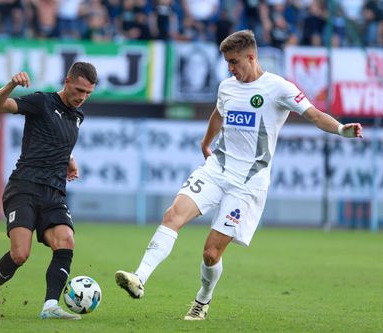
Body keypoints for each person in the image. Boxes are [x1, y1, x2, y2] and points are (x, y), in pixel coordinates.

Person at [115, 30, 363, 321]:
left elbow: (314, 115)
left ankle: (203, 299)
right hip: (216, 168)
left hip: (248, 183)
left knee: (211, 254)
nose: (230, 68)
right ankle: (140, 277)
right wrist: (206, 142)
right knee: (173, 215)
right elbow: (219, 115)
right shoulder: (227, 87)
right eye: (227, 63)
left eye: (234, 62)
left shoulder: (278, 88)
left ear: (251, 57)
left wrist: (342, 130)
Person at [0, 62, 98, 320]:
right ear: (67, 80)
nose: (82, 97)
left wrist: (69, 158)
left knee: (66, 240)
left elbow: (56, 140)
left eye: (88, 93)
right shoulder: (41, 102)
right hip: (24, 187)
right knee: (20, 253)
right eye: (79, 90)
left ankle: (50, 306)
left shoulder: (77, 117)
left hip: (54, 193)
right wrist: (11, 84)